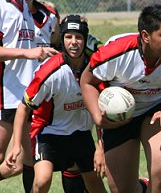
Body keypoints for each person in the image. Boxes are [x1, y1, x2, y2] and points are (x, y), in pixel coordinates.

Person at [80, 4, 161, 193]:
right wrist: (97, 116)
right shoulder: (116, 52)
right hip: (120, 117)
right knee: (121, 189)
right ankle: (142, 188)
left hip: (158, 109)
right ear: (145, 36)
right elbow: (87, 81)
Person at [5, 14, 106, 193]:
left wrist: (100, 147)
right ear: (62, 39)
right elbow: (23, 107)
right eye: (68, 37)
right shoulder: (50, 71)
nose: (73, 42)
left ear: (85, 40)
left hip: (80, 134)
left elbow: (102, 111)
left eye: (79, 37)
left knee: (95, 184)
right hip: (48, 134)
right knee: (42, 181)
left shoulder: (95, 69)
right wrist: (16, 146)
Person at [0, 0, 58, 183]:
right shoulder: (2, 3)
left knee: (30, 159)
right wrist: (27, 53)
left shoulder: (24, 4)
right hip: (5, 92)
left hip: (26, 92)